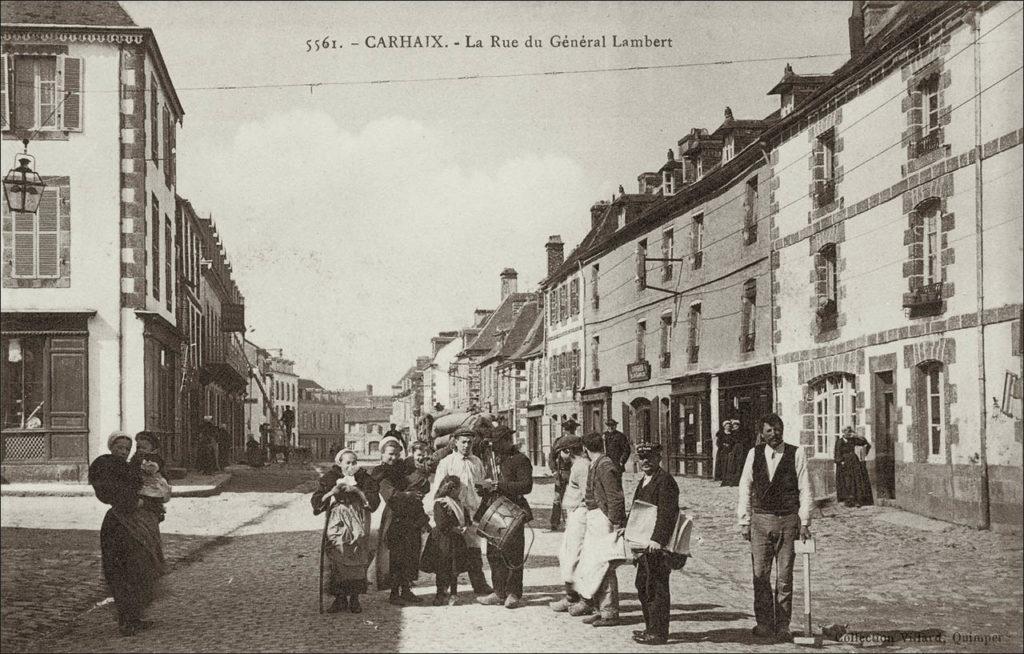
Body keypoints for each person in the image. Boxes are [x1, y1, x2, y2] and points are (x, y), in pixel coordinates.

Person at [737, 413, 814, 643]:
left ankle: (783, 625)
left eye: (777, 429)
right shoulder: (754, 454)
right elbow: (745, 486)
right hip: (760, 521)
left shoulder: (796, 453)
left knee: (784, 577)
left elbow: (805, 487)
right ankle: (763, 623)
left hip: (788, 521)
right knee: (760, 574)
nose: (774, 434)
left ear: (782, 429)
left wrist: (805, 521)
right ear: (762, 433)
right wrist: (744, 520)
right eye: (769, 430)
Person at [88, 431, 166, 636]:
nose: (123, 452)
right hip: (119, 525)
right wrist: (135, 502)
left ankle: (134, 617)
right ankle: (126, 620)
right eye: (119, 448)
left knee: (139, 570)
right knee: (122, 572)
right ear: (111, 448)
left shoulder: (131, 466)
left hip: (136, 524)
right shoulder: (105, 465)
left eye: (126, 449)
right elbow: (109, 493)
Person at [312, 448, 381, 614]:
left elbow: (373, 500)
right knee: (338, 555)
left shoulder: (364, 478)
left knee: (357, 556)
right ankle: (340, 598)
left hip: (359, 518)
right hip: (337, 520)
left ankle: (355, 598)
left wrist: (357, 491)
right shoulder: (330, 478)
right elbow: (316, 500)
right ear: (339, 463)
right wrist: (332, 492)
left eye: (354, 462)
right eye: (348, 462)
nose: (352, 466)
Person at [572, 431, 626, 626]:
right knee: (594, 564)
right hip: (596, 517)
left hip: (604, 519)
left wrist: (616, 522)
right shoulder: (599, 463)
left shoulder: (605, 465)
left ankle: (610, 612)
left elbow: (615, 497)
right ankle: (599, 607)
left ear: (585, 449)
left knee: (604, 566)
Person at [630, 441, 680, 646]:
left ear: (659, 458)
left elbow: (666, 514)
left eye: (649, 457)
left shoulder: (665, 481)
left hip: (656, 546)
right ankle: (650, 627)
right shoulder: (644, 480)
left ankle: (658, 632)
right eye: (641, 458)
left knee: (657, 587)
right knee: (643, 584)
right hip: (643, 543)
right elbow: (637, 510)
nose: (645, 461)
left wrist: (658, 540)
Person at [476, 430, 533, 609]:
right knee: (494, 553)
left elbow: (526, 486)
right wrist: (484, 488)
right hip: (495, 510)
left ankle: (513, 593)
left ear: (509, 441)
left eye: (499, 443)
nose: (495, 447)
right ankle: (499, 591)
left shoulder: (520, 460)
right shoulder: (494, 459)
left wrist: (499, 485)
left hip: (513, 510)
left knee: (513, 554)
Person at [432, 429, 493, 594]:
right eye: (463, 442)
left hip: (472, 512)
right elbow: (438, 489)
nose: (466, 445)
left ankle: (479, 584)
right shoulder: (447, 462)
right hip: (454, 514)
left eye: (469, 442)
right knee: (448, 552)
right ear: (455, 442)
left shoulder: (477, 462)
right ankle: (444, 587)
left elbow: (481, 486)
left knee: (474, 548)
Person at [374, 440, 429, 605]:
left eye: (397, 454)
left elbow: (420, 484)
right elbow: (390, 495)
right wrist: (409, 495)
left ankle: (406, 589)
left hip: (411, 516)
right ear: (382, 454)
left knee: (411, 552)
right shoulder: (381, 473)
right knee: (396, 555)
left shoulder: (402, 468)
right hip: (395, 517)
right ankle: (394, 592)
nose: (393, 457)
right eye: (390, 453)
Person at [549, 434, 590, 613]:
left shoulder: (582, 467)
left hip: (581, 515)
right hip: (574, 514)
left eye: (560, 454)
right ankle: (571, 597)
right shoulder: (577, 466)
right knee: (565, 555)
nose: (559, 458)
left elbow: (588, 495)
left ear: (567, 451)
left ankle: (581, 599)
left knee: (575, 557)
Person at [421, 474, 471, 606]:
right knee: (441, 567)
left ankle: (453, 594)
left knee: (454, 569)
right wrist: (454, 529)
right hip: (442, 540)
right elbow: (441, 523)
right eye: (459, 488)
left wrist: (465, 527)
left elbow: (467, 519)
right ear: (452, 489)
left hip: (455, 540)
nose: (460, 491)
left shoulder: (460, 504)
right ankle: (439, 593)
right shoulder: (441, 503)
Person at [131, 432, 171, 524]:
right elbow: (132, 467)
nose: (140, 450)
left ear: (152, 449)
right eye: (138, 447)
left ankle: (158, 508)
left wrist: (143, 465)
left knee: (152, 497)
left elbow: (153, 468)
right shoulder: (136, 457)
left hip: (153, 484)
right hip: (142, 483)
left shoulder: (154, 458)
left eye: (144, 448)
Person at [834, 426, 873, 508]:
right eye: (847, 432)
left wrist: (856, 435)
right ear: (843, 432)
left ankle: (857, 500)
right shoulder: (839, 441)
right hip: (845, 462)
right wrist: (841, 462)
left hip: (854, 461)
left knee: (856, 480)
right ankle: (848, 500)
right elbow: (837, 453)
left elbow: (864, 442)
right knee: (847, 481)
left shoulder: (852, 440)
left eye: (850, 431)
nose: (849, 433)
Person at [548, 437, 575, 532]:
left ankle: (574, 522)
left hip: (574, 472)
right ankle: (554, 522)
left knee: (576, 497)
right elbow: (551, 457)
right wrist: (554, 470)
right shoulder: (559, 442)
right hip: (561, 473)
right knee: (557, 498)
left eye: (571, 429)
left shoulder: (577, 441)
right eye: (568, 429)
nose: (569, 432)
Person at [726, 419, 753, 487]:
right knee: (734, 464)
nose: (735, 427)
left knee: (739, 464)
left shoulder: (741, 433)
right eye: (734, 425)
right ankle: (734, 480)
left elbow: (745, 440)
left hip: (740, 450)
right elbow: (731, 442)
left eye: (736, 425)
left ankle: (737, 480)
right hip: (735, 450)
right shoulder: (733, 433)